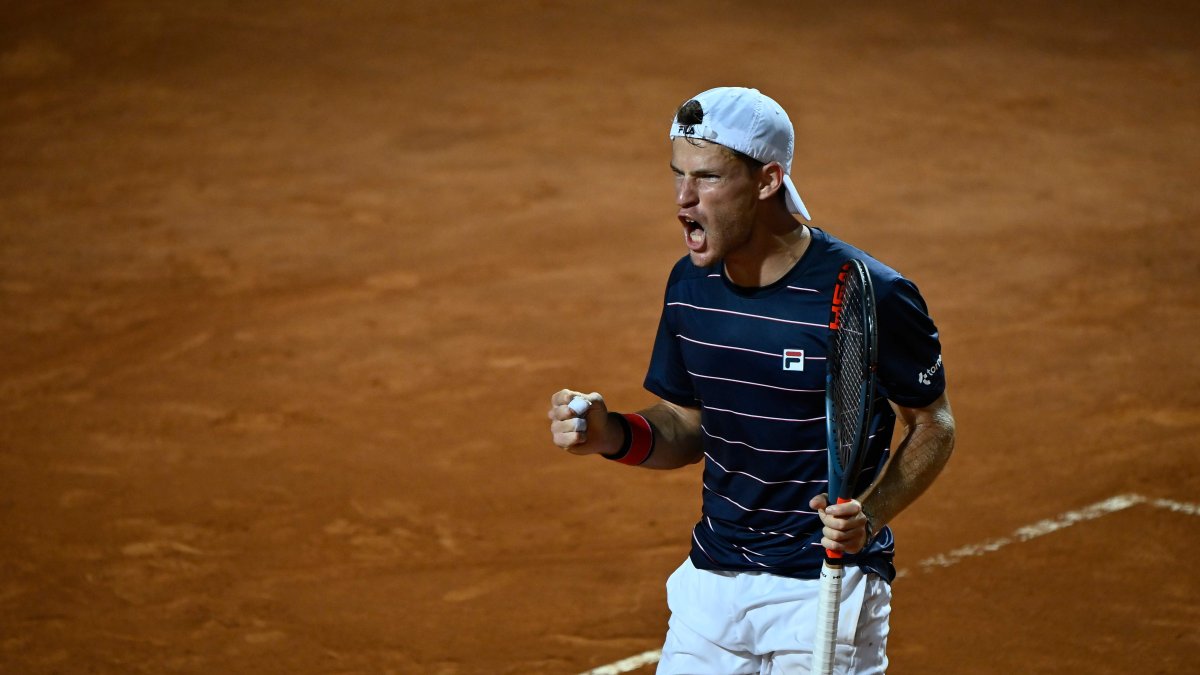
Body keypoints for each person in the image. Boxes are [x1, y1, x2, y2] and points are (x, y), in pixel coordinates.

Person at [547, 86, 955, 674]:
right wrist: (609, 434)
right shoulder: (690, 287)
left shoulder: (867, 294)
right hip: (712, 583)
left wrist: (871, 514)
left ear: (767, 181)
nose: (684, 199)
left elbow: (932, 423)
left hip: (823, 590)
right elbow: (687, 423)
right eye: (678, 175)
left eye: (707, 178)